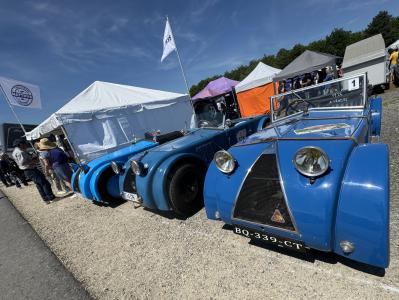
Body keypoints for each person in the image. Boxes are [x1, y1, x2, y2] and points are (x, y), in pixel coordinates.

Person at [12, 138, 55, 203]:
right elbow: (22, 162)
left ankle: (46, 199)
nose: (26, 145)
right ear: (20, 144)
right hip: (30, 169)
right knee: (44, 183)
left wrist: (32, 157)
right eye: (25, 143)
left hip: (28, 170)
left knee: (39, 185)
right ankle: (51, 198)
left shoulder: (16, 151)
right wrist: (34, 160)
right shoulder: (21, 152)